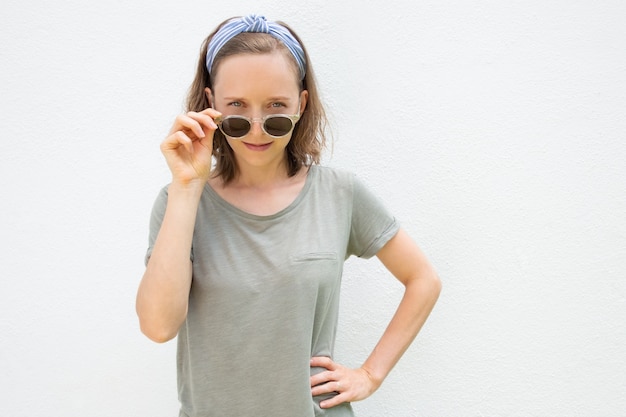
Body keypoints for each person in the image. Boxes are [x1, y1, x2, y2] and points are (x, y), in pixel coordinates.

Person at [136, 14, 441, 417]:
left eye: (276, 108)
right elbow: (158, 327)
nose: (258, 129)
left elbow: (423, 279)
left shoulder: (339, 194)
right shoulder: (180, 200)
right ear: (210, 105)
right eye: (237, 109)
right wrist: (188, 187)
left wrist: (370, 375)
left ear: (301, 103)